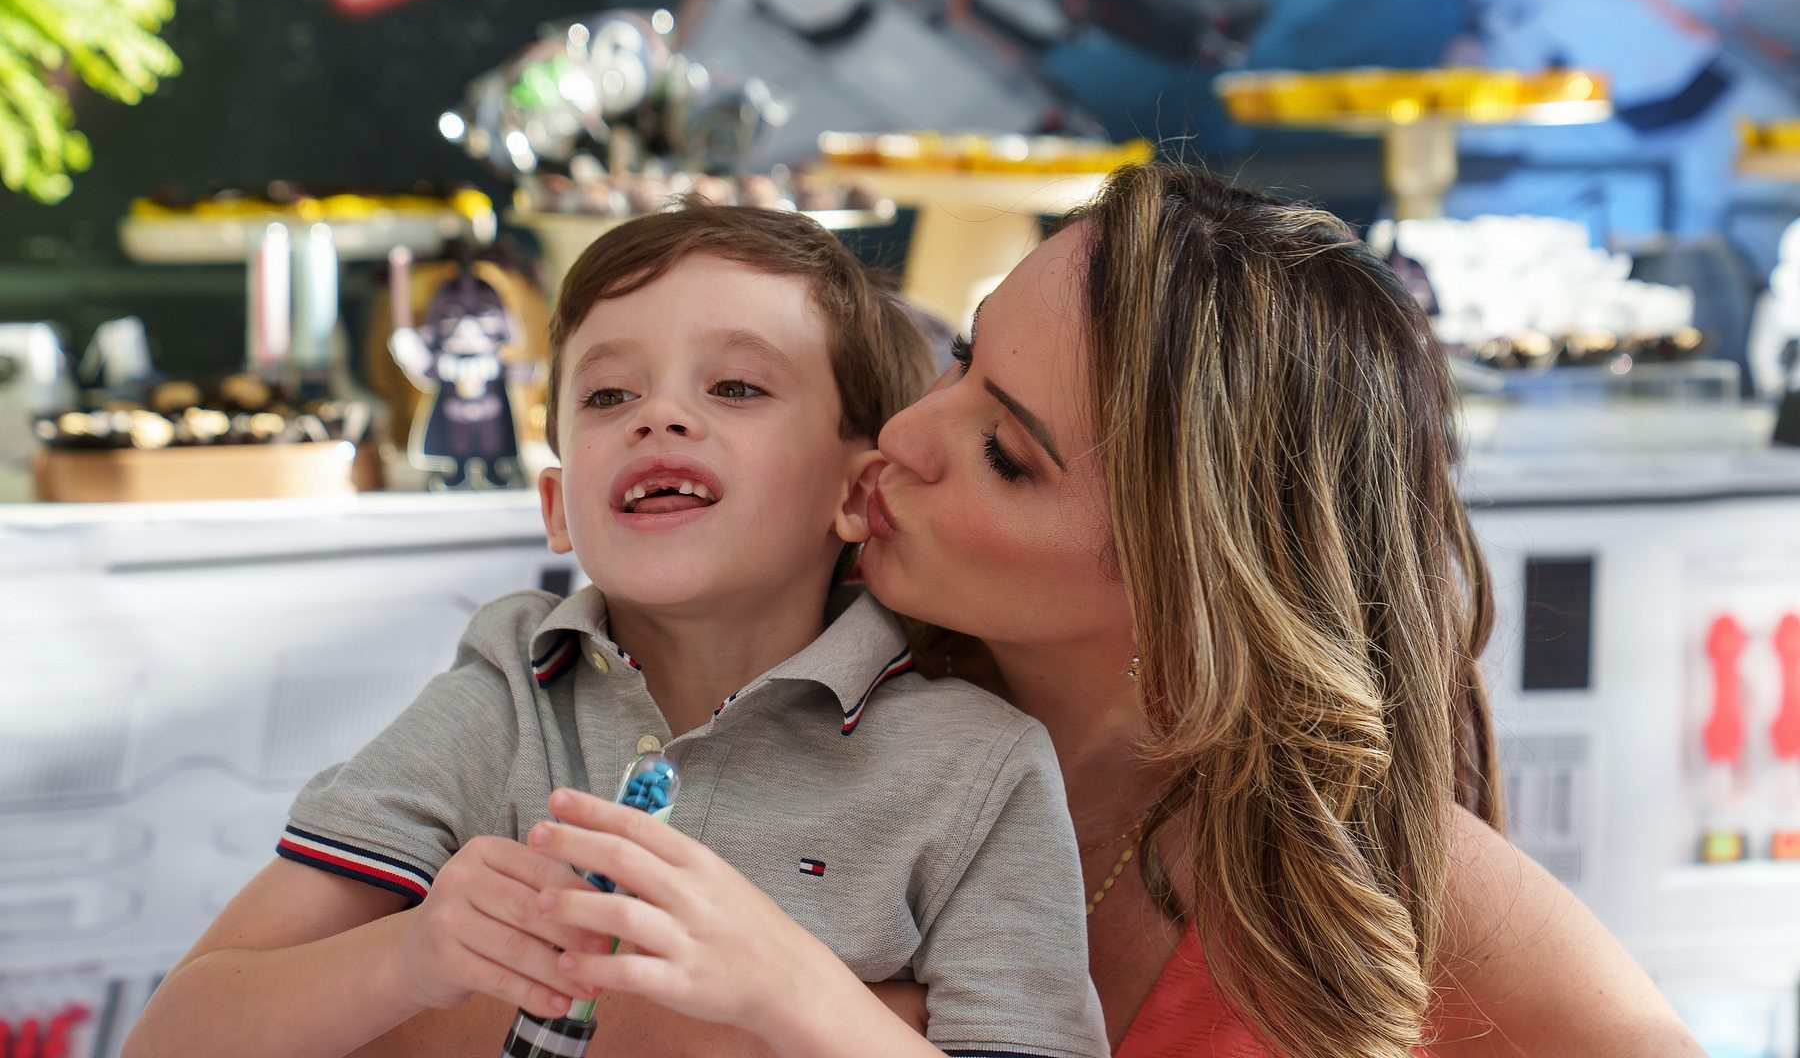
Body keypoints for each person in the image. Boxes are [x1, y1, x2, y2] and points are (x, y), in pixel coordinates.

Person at [510, 162, 1705, 1057]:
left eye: (1006, 454)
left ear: (1192, 578)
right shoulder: (766, 677)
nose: (907, 433)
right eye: (962, 357)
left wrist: (816, 1013)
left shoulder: (1374, 881)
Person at [123, 204, 1109, 1058]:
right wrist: (407, 959)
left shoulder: (981, 768)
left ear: (857, 494)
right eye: (607, 396)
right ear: (559, 509)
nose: (659, 415)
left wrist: (791, 990)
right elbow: (170, 1037)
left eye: (736, 387)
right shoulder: (500, 706)